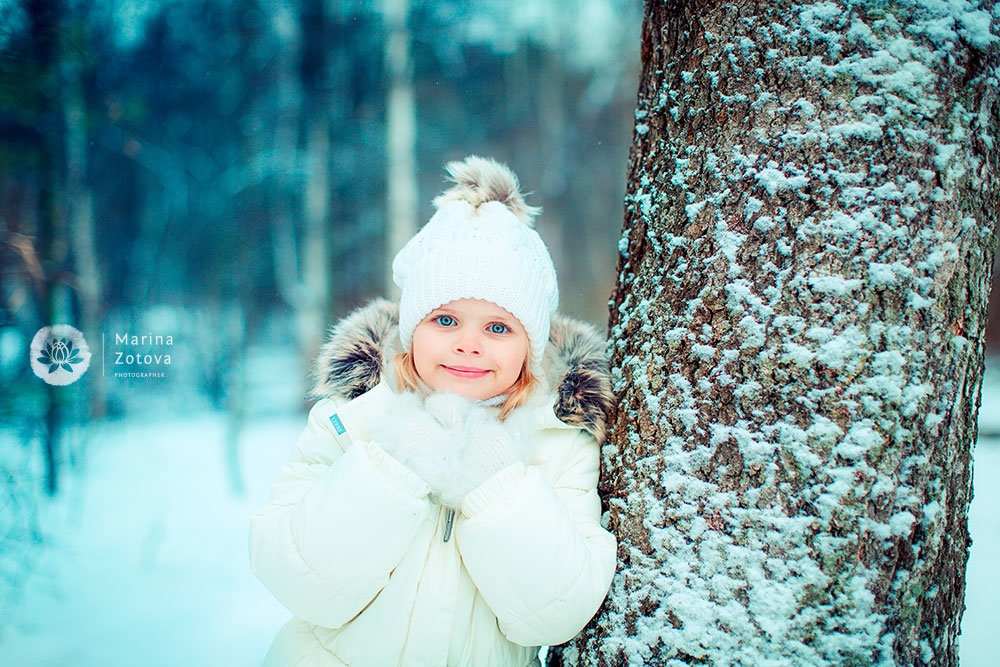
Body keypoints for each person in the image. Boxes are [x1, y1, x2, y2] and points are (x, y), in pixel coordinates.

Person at [249, 156, 617, 666]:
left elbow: (558, 614)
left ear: (530, 346)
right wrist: (391, 468)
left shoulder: (557, 443)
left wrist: (498, 484)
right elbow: (297, 578)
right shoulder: (354, 417)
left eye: (498, 328)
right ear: (412, 329)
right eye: (445, 319)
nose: (468, 345)